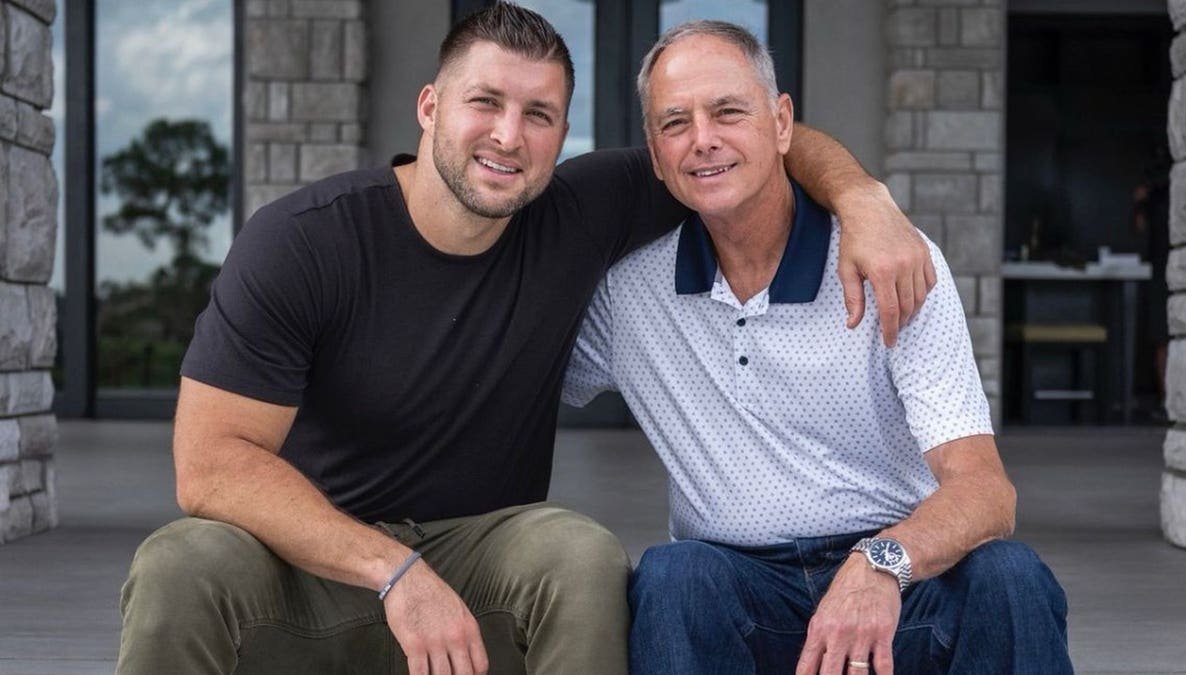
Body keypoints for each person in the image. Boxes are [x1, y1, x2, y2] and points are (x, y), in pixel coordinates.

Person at [116, 5, 934, 675]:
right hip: (311, 560)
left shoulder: (581, 212)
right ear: (430, 106)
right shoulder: (305, 241)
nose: (509, 135)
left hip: (483, 560)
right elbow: (212, 464)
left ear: (562, 134)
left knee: (578, 554)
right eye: (486, 103)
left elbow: (762, 145)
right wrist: (392, 571)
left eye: (538, 114)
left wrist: (864, 200)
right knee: (178, 563)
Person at [564, 21, 1072, 675]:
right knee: (673, 576)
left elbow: (986, 491)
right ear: (657, 157)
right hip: (742, 601)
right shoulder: (630, 292)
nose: (703, 140)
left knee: (1010, 576)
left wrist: (882, 561)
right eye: (675, 123)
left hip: (900, 587)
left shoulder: (891, 263)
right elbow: (513, 373)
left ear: (782, 125)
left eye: (727, 111)